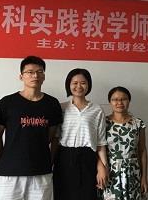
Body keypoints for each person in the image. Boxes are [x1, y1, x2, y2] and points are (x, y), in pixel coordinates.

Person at [0, 55, 63, 200]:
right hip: (9, 173)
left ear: (44, 76)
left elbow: (53, 137)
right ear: (21, 76)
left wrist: (48, 161)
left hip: (41, 172)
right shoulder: (7, 102)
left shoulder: (52, 103)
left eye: (39, 72)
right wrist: (2, 160)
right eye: (30, 72)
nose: (35, 75)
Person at [54, 68, 108, 200]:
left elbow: (100, 142)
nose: (79, 86)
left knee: (87, 195)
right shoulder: (61, 108)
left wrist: (103, 167)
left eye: (83, 83)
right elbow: (55, 138)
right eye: (75, 83)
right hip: (64, 157)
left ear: (88, 85)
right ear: (68, 85)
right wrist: (51, 162)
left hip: (88, 159)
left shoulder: (97, 109)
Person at [102, 87, 148, 200]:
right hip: (110, 172)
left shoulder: (138, 123)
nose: (119, 102)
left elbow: (142, 150)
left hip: (133, 173)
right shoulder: (103, 123)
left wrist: (144, 177)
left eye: (123, 99)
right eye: (115, 99)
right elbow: (98, 148)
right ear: (110, 102)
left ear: (129, 101)